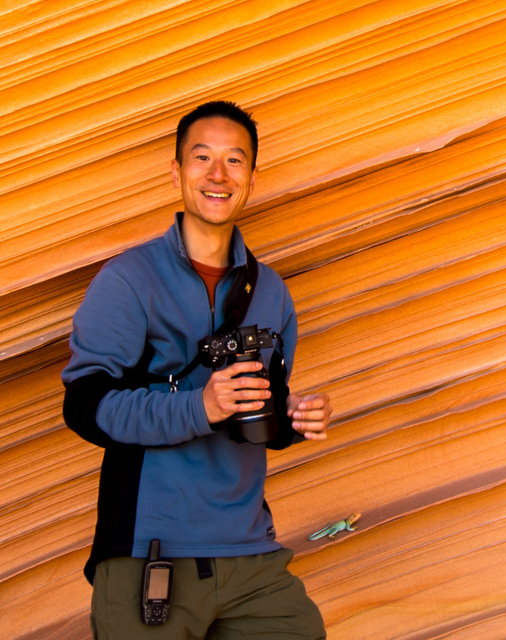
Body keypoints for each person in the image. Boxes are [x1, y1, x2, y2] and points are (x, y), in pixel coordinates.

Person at [62, 100, 332, 639]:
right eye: (202, 157)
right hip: (148, 553)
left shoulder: (271, 290)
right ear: (176, 172)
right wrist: (199, 406)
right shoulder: (129, 280)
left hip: (251, 554)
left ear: (252, 178)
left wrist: (294, 415)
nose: (218, 175)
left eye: (234, 160)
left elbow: (264, 414)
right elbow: (84, 406)